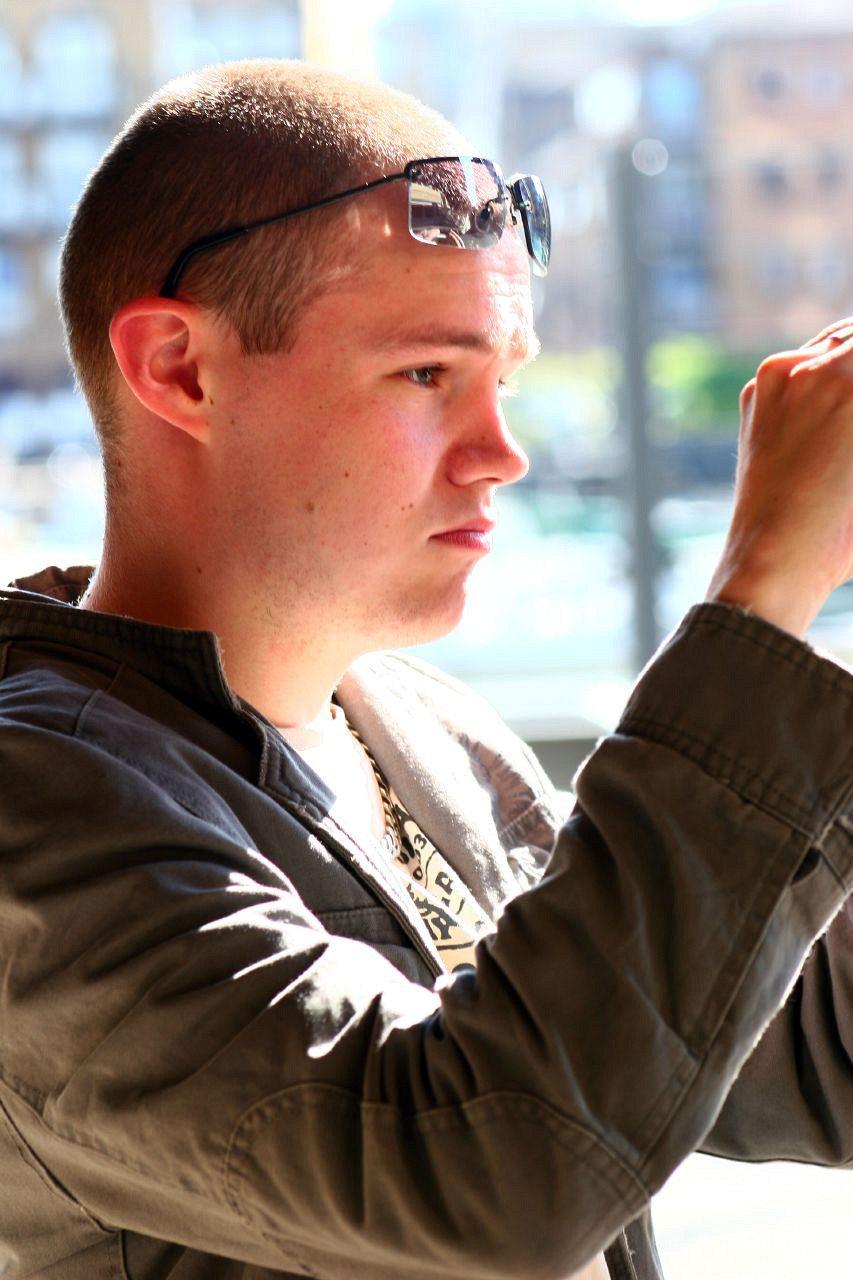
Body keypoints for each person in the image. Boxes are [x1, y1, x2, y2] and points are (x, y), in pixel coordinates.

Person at [0, 58, 850, 1280]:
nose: (502, 450)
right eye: (426, 373)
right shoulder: (40, 806)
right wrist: (763, 587)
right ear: (180, 367)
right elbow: (491, 1172)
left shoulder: (425, 733)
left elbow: (792, 1048)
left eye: (503, 377)